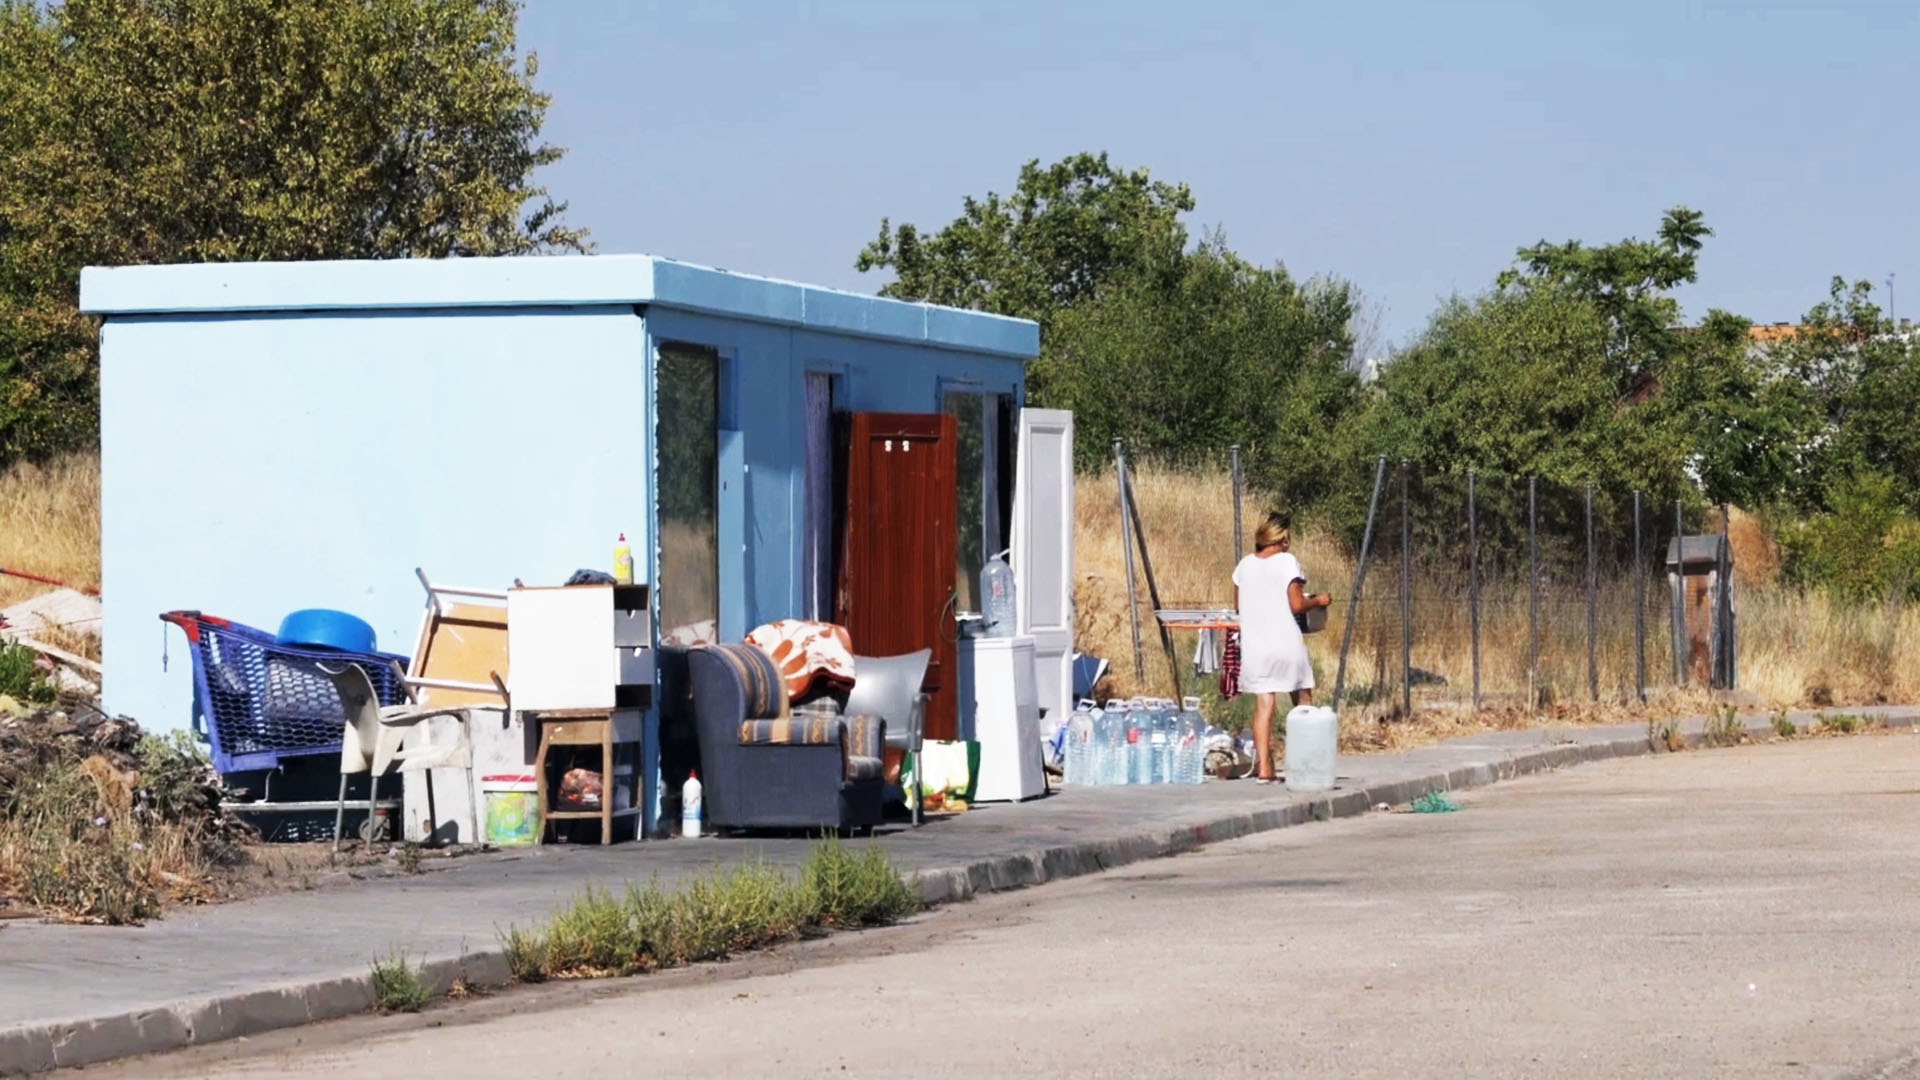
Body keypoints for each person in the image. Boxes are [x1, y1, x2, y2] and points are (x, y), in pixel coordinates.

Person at [1233, 512, 1331, 783]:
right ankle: (1307, 765)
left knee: (1265, 704)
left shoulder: (1243, 566)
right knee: (1303, 700)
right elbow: (1297, 604)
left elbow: (1239, 606)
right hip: (1285, 642)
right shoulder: (1288, 562)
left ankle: (1265, 769)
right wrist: (1319, 600)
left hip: (1255, 645)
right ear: (1284, 539)